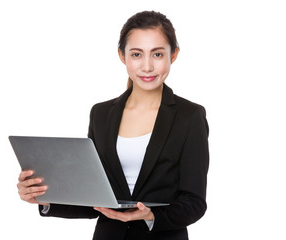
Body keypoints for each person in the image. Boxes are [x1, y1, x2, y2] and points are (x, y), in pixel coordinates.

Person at [17, 10, 209, 240]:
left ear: (173, 55)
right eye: (136, 54)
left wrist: (150, 216)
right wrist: (44, 198)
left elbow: (194, 202)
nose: (147, 66)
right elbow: (95, 199)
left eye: (157, 54)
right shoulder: (101, 114)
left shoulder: (190, 116)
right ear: (122, 55)